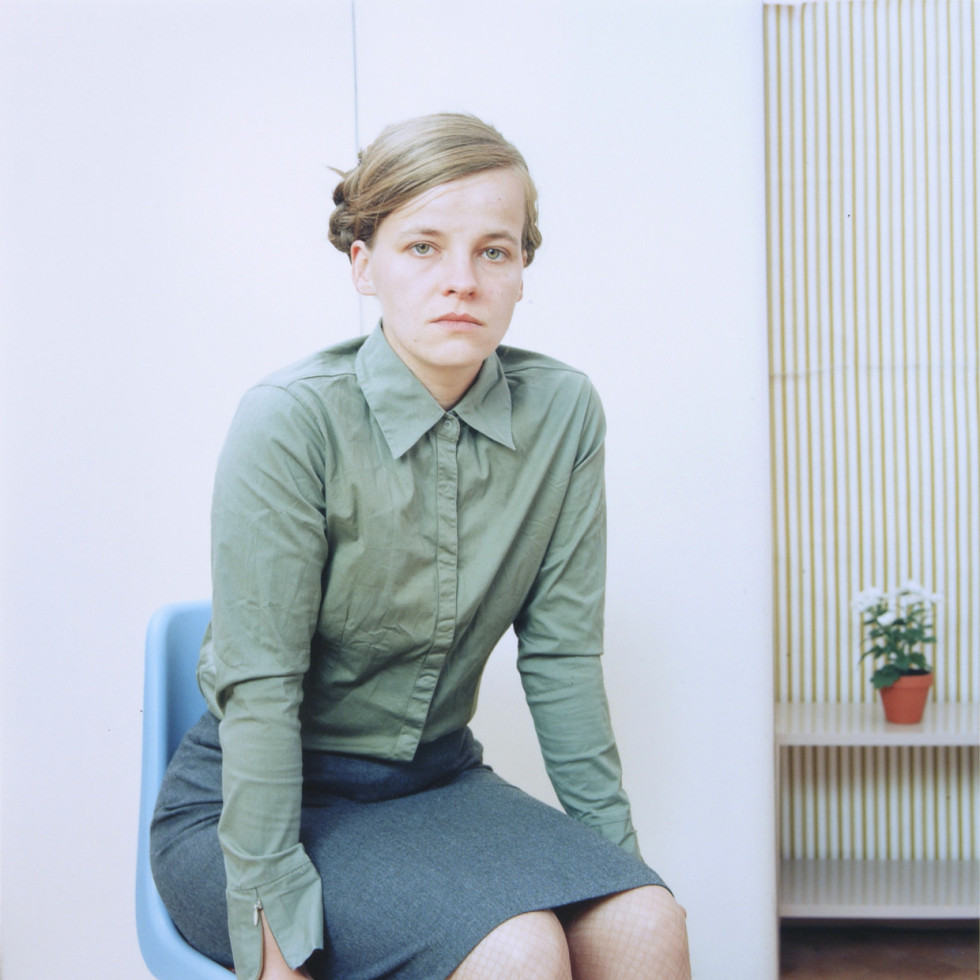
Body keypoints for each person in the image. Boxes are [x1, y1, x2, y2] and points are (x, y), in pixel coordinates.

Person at [151, 112, 691, 980]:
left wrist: (613, 869)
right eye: (423, 247)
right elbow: (261, 689)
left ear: (522, 271)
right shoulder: (290, 420)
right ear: (364, 266)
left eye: (493, 251)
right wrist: (268, 908)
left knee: (646, 924)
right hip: (255, 806)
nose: (461, 282)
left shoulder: (564, 413)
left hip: (435, 789)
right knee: (520, 952)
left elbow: (559, 655)